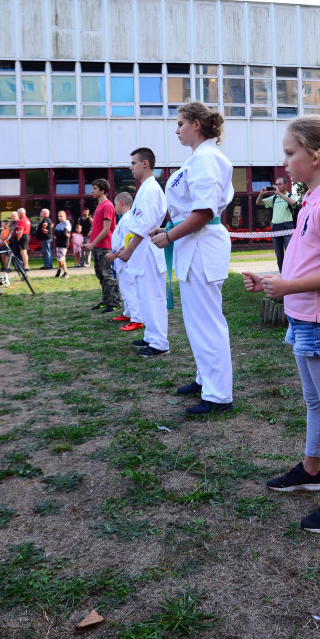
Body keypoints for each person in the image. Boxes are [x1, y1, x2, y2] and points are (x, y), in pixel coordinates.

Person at [243, 115, 320, 534]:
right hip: (302, 316)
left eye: (290, 153)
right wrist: (272, 281)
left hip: (318, 321)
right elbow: (305, 262)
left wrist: (288, 286)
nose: (285, 162)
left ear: (315, 156)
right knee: (314, 402)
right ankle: (311, 471)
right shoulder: (311, 200)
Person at [151, 100, 234, 415]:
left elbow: (204, 211)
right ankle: (205, 378)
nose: (177, 130)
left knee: (207, 321)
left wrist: (169, 236)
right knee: (197, 320)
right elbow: (191, 211)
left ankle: (218, 394)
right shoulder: (199, 157)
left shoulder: (207, 158)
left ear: (196, 124)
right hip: (194, 244)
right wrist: (168, 228)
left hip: (202, 244)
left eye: (180, 123)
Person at [118, 149, 168, 353]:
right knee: (144, 297)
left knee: (152, 297)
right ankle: (151, 336)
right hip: (142, 249)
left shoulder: (150, 190)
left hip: (148, 249)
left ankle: (159, 343)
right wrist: (128, 246)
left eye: (133, 163)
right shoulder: (145, 189)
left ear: (145, 163)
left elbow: (144, 225)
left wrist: (129, 250)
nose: (130, 167)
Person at [106, 192, 144, 332]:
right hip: (122, 260)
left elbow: (127, 241)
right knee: (125, 288)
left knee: (128, 289)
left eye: (115, 204)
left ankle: (137, 319)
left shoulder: (128, 219)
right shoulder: (125, 218)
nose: (115, 206)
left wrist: (115, 255)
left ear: (121, 202)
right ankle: (128, 313)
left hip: (126, 260)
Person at [83, 178, 120, 312]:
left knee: (108, 275)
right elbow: (99, 227)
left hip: (105, 246)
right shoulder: (99, 206)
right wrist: (91, 239)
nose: (92, 191)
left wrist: (92, 244)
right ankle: (106, 301)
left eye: (95, 188)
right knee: (101, 274)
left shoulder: (107, 205)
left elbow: (106, 229)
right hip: (98, 246)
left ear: (102, 190)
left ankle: (115, 303)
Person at [256, 177, 298, 272]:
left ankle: (290, 274)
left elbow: (293, 203)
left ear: (286, 185)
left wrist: (279, 193)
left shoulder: (290, 196)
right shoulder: (274, 198)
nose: (277, 186)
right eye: (276, 184)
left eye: (280, 184)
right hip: (275, 227)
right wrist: (261, 194)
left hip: (288, 227)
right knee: (279, 255)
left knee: (289, 254)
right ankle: (282, 274)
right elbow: (258, 203)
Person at [53, 210, 71, 278]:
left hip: (64, 243)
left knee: (61, 258)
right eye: (59, 216)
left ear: (65, 216)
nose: (60, 218)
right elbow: (55, 234)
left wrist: (60, 233)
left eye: (61, 216)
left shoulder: (67, 223)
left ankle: (64, 272)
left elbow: (64, 232)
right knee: (60, 258)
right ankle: (61, 270)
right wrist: (60, 233)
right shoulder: (58, 225)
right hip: (58, 243)